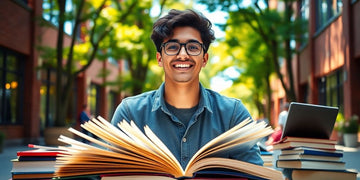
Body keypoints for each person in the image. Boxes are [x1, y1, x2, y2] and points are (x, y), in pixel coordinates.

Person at [111, 9, 263, 169]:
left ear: (204, 59)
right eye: (172, 47)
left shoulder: (233, 115)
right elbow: (111, 175)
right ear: (159, 58)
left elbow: (256, 175)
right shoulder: (129, 114)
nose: (182, 54)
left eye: (193, 47)